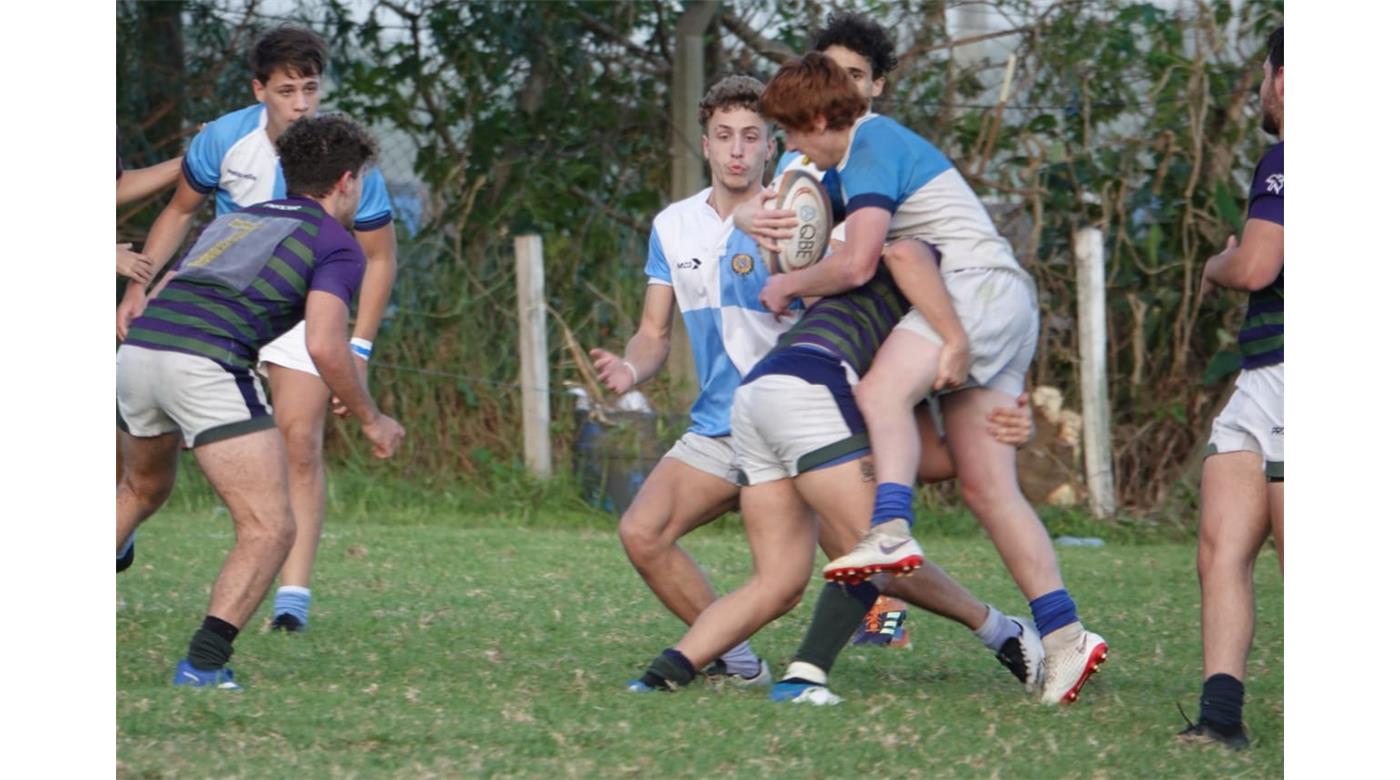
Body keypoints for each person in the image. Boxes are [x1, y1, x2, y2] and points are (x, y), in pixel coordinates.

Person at [755, 53, 1107, 706]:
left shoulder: (873, 141)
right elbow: (811, 231)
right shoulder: (846, 168)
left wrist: (788, 282)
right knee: (988, 487)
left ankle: (890, 527)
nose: (791, 147)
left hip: (974, 291)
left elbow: (860, 264)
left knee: (881, 391)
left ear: (825, 117)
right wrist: (773, 230)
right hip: (996, 299)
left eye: (794, 132)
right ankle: (1064, 636)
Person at [627, 241, 1045, 704]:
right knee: (877, 550)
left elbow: (924, 457)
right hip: (814, 389)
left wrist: (1008, 434)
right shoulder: (931, 277)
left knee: (778, 581)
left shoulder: (866, 267)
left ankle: (661, 676)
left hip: (759, 394)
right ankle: (806, 678)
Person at [115, 26, 398, 633]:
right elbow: (180, 212)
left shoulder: (344, 164)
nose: (301, 103)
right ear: (259, 90)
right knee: (148, 467)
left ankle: (291, 598)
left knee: (299, 442)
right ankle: (123, 531)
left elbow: (378, 257)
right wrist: (140, 284)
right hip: (224, 298)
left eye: (311, 89)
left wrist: (360, 347)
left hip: (308, 304)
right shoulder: (224, 138)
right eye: (287, 90)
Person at [588, 75, 799, 686]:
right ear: (705, 145)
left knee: (869, 561)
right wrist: (630, 370)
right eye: (724, 136)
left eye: (751, 137)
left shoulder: (793, 218)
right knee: (641, 532)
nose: (737, 150)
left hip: (789, 425)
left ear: (770, 148)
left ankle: (1004, 630)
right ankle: (736, 661)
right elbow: (653, 334)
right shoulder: (672, 226)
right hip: (717, 427)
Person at [1177, 25, 1284, 751]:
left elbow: (1255, 268)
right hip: (1261, 375)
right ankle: (1221, 720)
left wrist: (1219, 262)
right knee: (1220, 547)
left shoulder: (1289, 161)